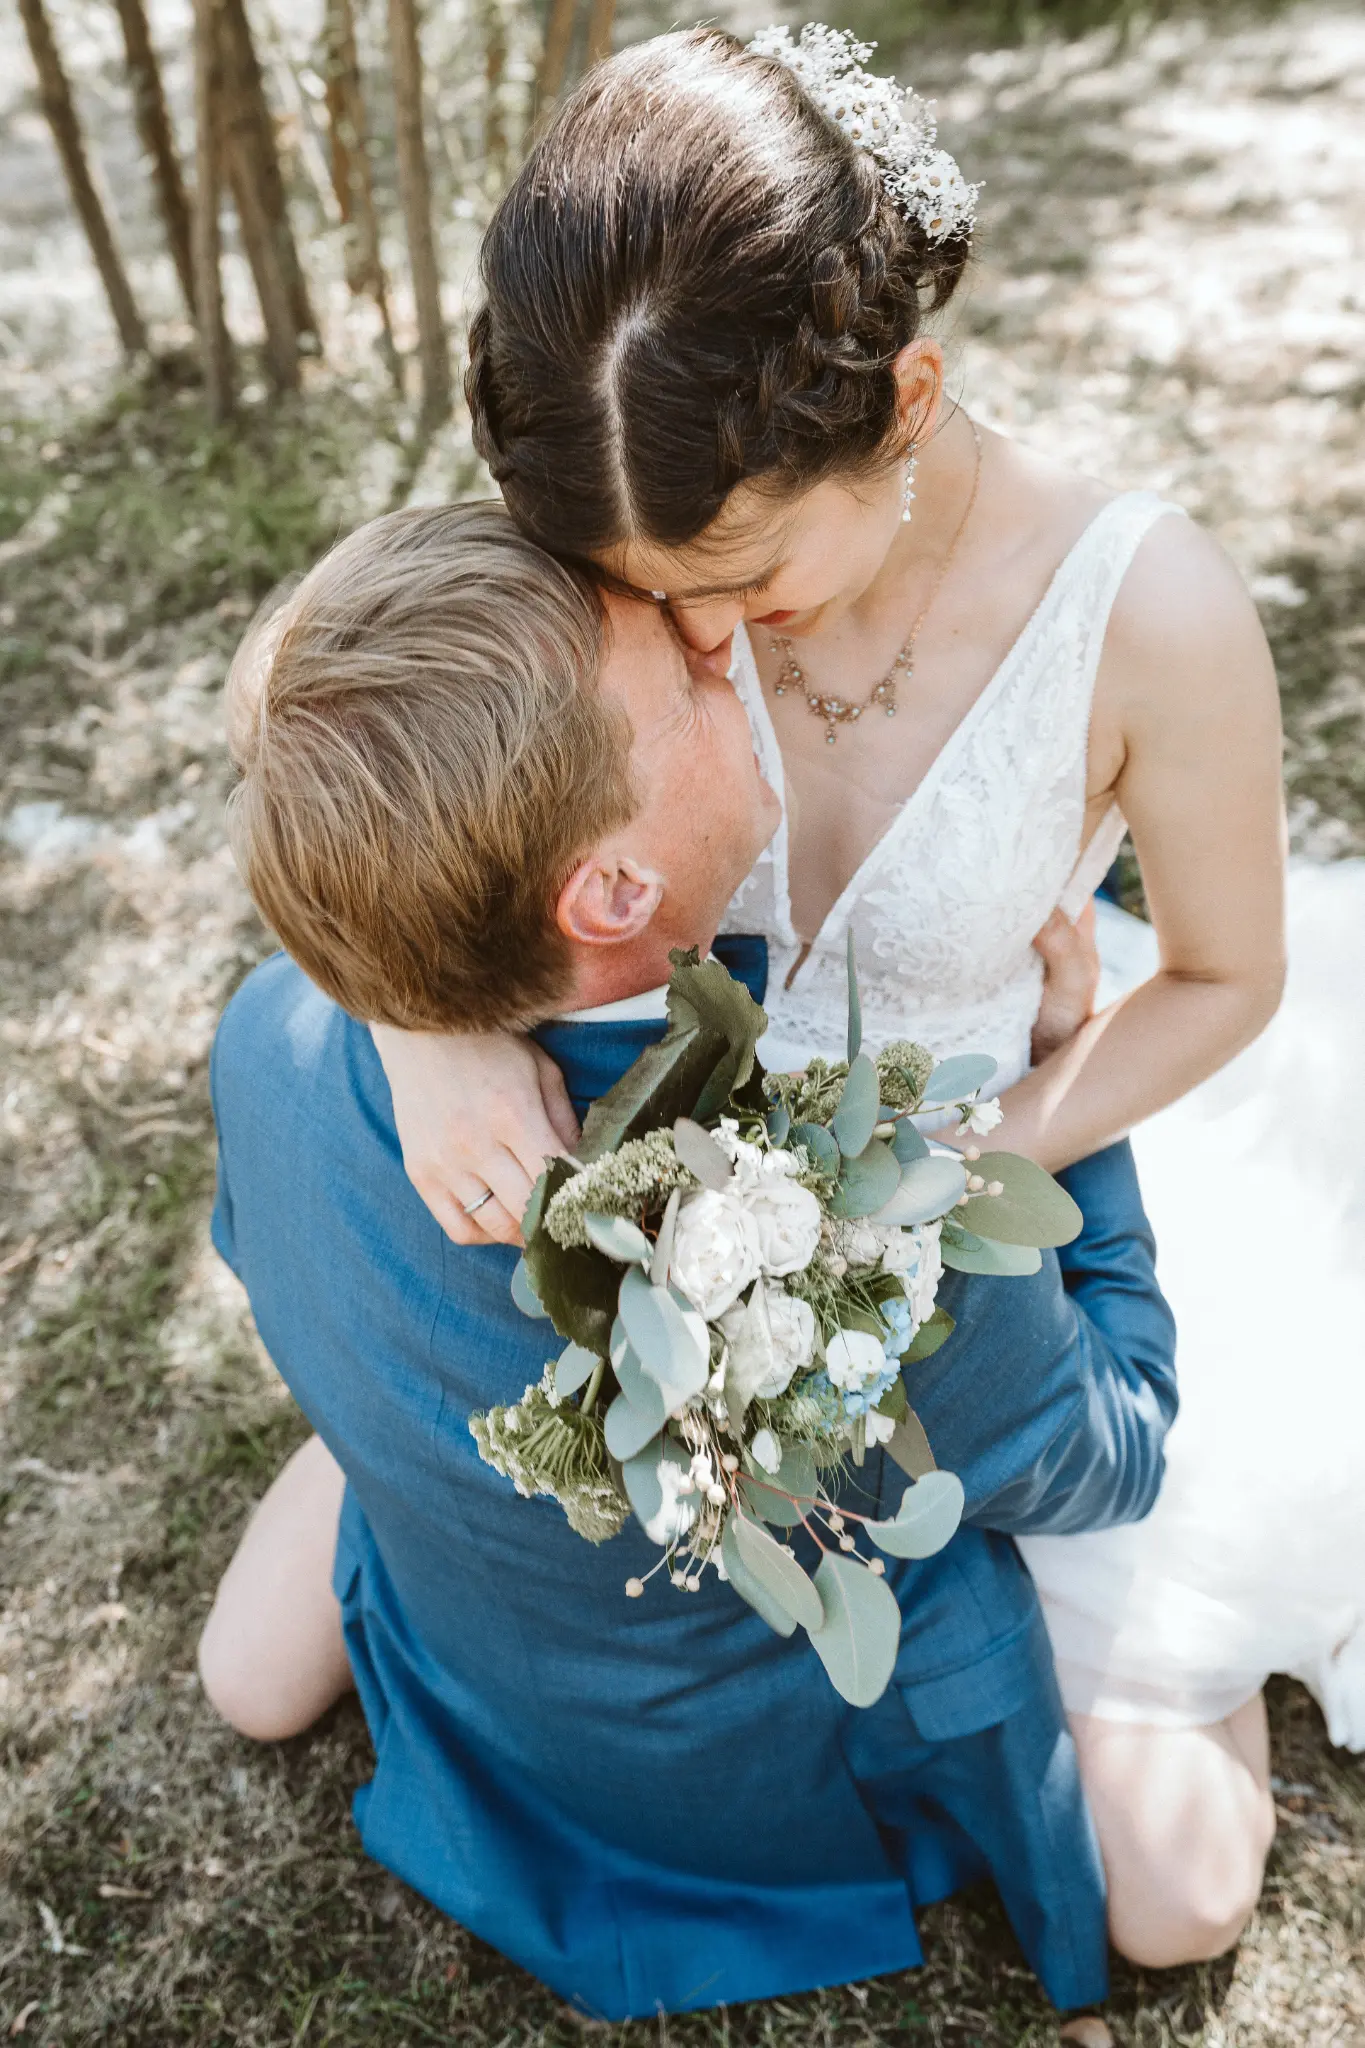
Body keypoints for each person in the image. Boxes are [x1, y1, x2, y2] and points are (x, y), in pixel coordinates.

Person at [368, 24, 1314, 1951]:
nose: (697, 637)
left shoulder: (1155, 614)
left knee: (1175, 1902)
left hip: (967, 1210)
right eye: (659, 600)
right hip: (653, 1200)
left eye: (747, 587)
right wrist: (429, 1030)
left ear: (910, 395)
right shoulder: (640, 502)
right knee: (260, 1669)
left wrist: (999, 1145)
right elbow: (336, 732)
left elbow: (1224, 979)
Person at [200, 499, 1189, 2021]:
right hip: (749, 1777)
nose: (724, 636)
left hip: (487, 1648)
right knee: (1190, 1896)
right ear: (608, 893)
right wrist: (1063, 1103)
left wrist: (416, 1025)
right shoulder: (866, 1218)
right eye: (685, 668)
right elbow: (1114, 1454)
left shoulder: (268, 1037)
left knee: (256, 1663)